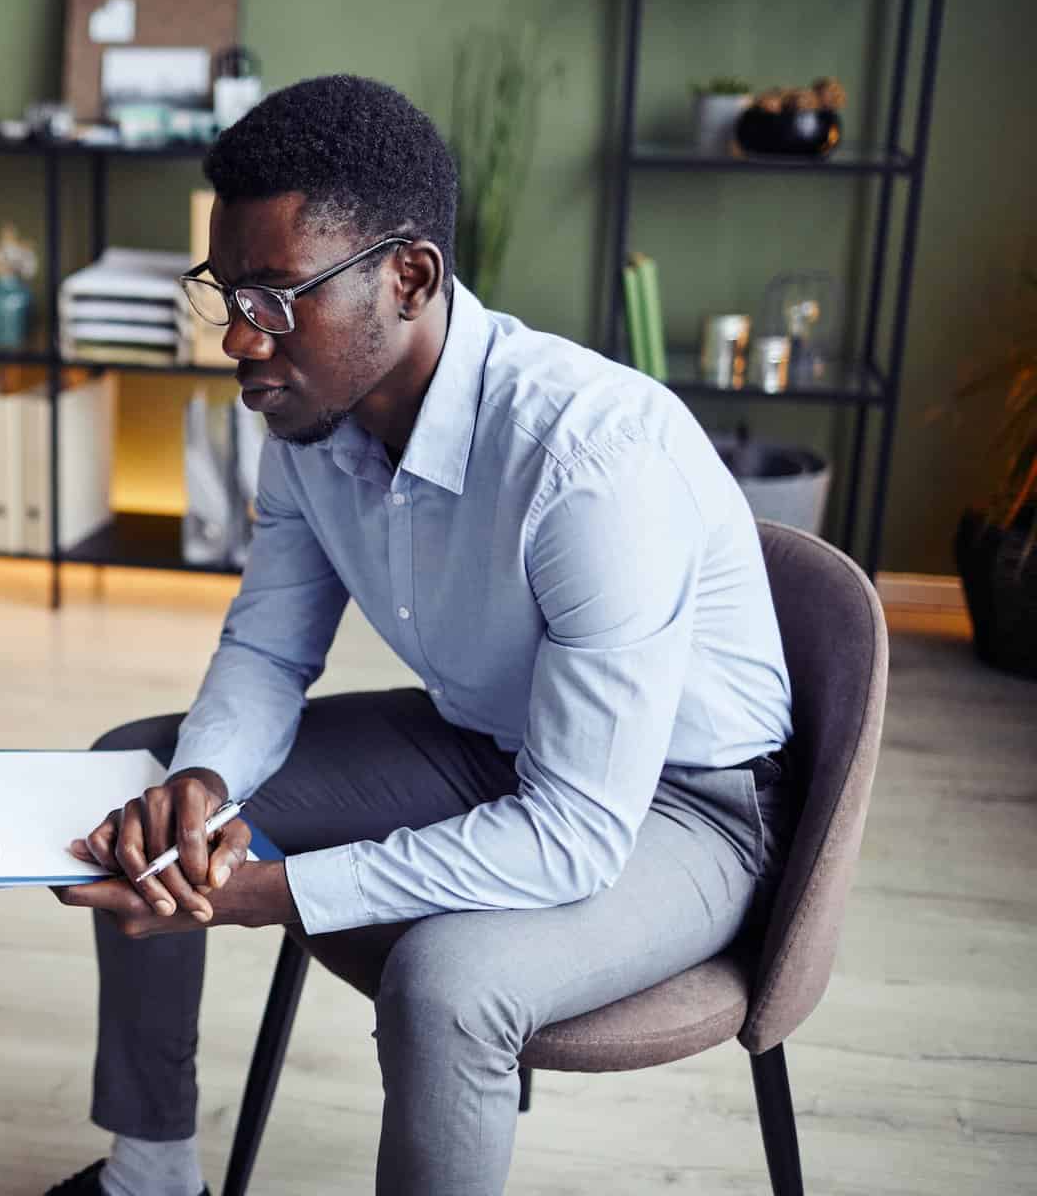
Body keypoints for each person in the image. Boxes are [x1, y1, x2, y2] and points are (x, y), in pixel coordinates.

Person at [42, 74, 794, 1196]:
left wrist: (275, 891)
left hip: (677, 806)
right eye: (228, 291)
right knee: (143, 789)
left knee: (446, 981)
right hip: (485, 738)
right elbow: (269, 647)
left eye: (278, 295)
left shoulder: (590, 465)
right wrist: (204, 779)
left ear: (410, 276)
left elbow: (578, 831)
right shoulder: (307, 409)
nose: (241, 339)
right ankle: (149, 1177)